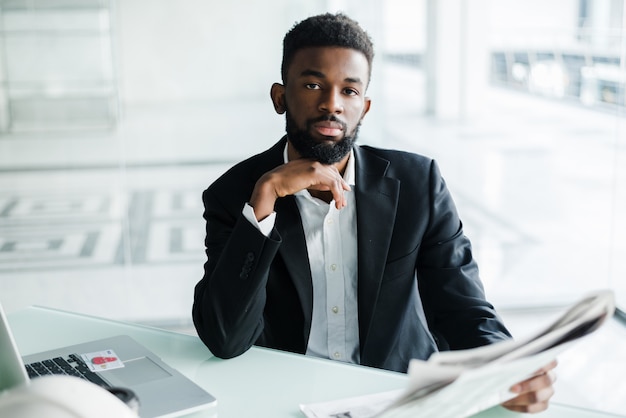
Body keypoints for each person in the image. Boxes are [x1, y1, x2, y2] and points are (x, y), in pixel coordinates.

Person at [193, 12, 556, 413]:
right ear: (280, 97)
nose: (332, 104)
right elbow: (225, 339)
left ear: (364, 107)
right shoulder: (235, 194)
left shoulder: (418, 183)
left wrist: (507, 368)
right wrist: (266, 197)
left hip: (396, 396)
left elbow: (463, 307)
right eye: (313, 84)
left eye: (349, 91)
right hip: (289, 399)